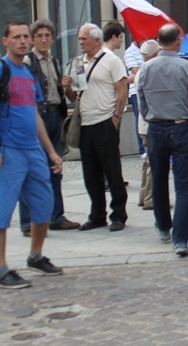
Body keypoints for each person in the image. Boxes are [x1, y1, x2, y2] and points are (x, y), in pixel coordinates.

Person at [0, 21, 65, 289]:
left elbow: (35, 113)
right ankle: (1, 268)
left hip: (33, 150)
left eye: (26, 36)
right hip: (10, 151)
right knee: (3, 212)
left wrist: (51, 151)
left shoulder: (27, 72)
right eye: (17, 37)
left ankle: (35, 256)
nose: (23, 41)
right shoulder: (3, 69)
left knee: (44, 206)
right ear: (6, 41)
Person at [138, 24, 188, 256]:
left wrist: (153, 117)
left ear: (158, 41)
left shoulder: (146, 68)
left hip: (156, 126)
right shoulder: (187, 67)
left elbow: (142, 103)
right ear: (177, 42)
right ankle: (180, 239)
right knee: (183, 185)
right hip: (180, 125)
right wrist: (187, 117)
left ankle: (164, 226)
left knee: (158, 179)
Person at [63, 23, 129, 232]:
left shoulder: (111, 60)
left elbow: (122, 90)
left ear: (96, 40)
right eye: (80, 39)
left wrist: (116, 117)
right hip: (86, 123)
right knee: (90, 173)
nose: (80, 42)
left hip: (105, 121)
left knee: (112, 171)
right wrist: (67, 88)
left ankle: (118, 214)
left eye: (84, 38)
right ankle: (97, 214)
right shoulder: (79, 63)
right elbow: (76, 96)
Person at [17, 19, 79, 235]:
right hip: (37, 118)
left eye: (47, 36)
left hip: (55, 116)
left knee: (55, 168)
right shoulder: (27, 61)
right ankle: (27, 223)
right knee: (33, 170)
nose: (44, 40)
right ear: (33, 39)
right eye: (39, 36)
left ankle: (56, 217)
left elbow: (55, 92)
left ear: (52, 38)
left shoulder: (53, 60)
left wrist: (65, 87)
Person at [135, 39, 161, 211]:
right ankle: (151, 198)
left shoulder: (141, 71)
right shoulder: (149, 71)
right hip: (150, 124)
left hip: (143, 124)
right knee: (153, 163)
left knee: (147, 161)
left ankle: (143, 195)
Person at [124, 38, 146, 155]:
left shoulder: (152, 46)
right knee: (140, 118)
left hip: (150, 89)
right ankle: (142, 149)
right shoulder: (130, 52)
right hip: (136, 90)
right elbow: (135, 71)